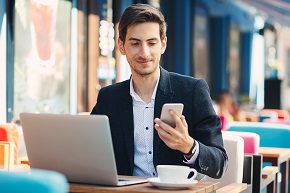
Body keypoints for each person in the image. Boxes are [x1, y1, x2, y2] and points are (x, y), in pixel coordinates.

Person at [91, 3, 228, 179]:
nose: (144, 52)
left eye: (151, 43)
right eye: (135, 43)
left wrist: (189, 146)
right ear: (121, 45)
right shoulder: (108, 98)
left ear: (163, 44)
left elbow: (220, 163)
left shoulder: (192, 91)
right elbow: (89, 150)